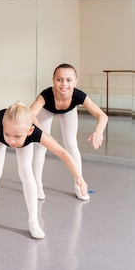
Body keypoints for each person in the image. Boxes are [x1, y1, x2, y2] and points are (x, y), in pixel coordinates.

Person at [0, 102, 88, 239]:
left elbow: (62, 153)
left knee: (26, 173)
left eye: (17, 136)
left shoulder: (34, 133)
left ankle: (34, 222)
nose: (12, 141)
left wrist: (78, 177)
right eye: (9, 135)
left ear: (30, 131)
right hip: (1, 129)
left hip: (21, 135)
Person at [29, 64, 107, 201]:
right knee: (41, 145)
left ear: (75, 81)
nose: (64, 84)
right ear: (53, 80)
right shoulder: (46, 95)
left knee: (71, 144)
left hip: (68, 110)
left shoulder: (78, 95)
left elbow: (102, 115)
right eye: (59, 79)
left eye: (69, 80)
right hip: (47, 109)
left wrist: (99, 131)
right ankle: (37, 185)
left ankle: (79, 185)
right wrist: (44, 134)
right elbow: (30, 114)